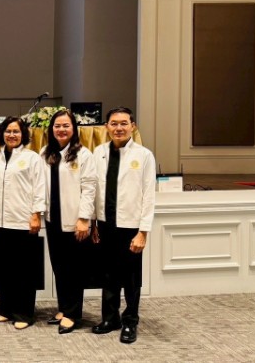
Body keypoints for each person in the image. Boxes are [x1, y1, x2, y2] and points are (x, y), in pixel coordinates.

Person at [91, 106, 155, 344]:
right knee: (108, 275)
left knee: (131, 278)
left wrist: (143, 232)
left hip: (131, 227)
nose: (119, 128)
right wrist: (94, 223)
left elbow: (149, 196)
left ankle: (130, 321)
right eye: (114, 123)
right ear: (106, 127)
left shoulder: (144, 155)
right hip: (105, 224)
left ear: (132, 126)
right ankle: (110, 318)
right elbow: (94, 189)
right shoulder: (98, 152)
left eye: (123, 123)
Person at [40, 110, 97, 334]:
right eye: (57, 126)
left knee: (74, 269)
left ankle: (72, 314)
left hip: (75, 221)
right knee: (59, 267)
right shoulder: (45, 152)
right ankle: (64, 308)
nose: (61, 130)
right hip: (53, 219)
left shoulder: (84, 155)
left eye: (66, 126)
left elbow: (89, 188)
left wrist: (84, 219)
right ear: (51, 129)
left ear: (74, 129)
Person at [0, 116, 45, 330]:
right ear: (2, 133)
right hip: (0, 221)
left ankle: (24, 313)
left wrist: (36, 214)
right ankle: (6, 309)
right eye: (8, 131)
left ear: (23, 134)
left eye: (16, 131)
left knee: (24, 271)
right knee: (4, 268)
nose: (11, 135)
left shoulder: (32, 158)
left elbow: (39, 188)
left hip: (24, 222)